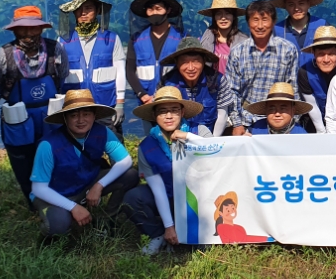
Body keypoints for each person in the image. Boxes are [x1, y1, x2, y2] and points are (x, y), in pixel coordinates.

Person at [0, 5, 69, 203]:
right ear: (15, 29)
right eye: (23, 28)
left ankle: (58, 197)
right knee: (22, 161)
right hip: (18, 118)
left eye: (33, 27)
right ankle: (33, 202)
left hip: (50, 115)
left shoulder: (55, 50)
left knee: (55, 156)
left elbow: (63, 76)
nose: (29, 33)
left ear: (41, 28)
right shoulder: (1, 56)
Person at [29, 89, 138, 239]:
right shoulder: (48, 144)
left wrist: (99, 185)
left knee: (130, 175)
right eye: (74, 115)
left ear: (94, 116)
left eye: (86, 114)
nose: (81, 120)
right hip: (55, 193)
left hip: (86, 184)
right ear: (65, 118)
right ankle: (59, 220)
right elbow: (39, 188)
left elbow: (125, 161)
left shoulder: (103, 132)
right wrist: (73, 207)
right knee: (58, 225)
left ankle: (108, 220)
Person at [124, 85, 204, 254]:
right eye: (162, 111)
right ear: (154, 116)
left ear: (182, 113)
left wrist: (188, 137)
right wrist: (169, 226)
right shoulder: (147, 146)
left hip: (200, 198)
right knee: (133, 198)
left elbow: (217, 153)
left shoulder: (199, 132)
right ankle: (158, 233)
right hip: (169, 196)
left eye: (174, 110)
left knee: (194, 246)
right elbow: (157, 188)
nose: (168, 116)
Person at [57, 0, 126, 136]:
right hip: (75, 109)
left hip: (106, 107)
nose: (83, 13)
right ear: (73, 12)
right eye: (79, 9)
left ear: (97, 11)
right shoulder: (63, 41)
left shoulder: (112, 39)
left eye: (88, 8)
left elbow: (120, 71)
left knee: (114, 148)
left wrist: (120, 103)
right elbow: (58, 75)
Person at [225, 0, 299, 135]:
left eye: (265, 20)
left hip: (280, 120)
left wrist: (292, 121)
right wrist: (237, 124)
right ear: (248, 23)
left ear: (273, 22)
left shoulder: (287, 50)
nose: (260, 26)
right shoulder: (237, 52)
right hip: (247, 121)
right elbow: (232, 92)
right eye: (255, 20)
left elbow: (293, 88)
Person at [159, 37, 236, 137]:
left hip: (210, 136)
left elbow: (223, 114)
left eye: (196, 61)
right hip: (177, 137)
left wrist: (211, 142)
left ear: (204, 61)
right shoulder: (166, 83)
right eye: (185, 62)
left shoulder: (217, 80)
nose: (191, 68)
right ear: (177, 63)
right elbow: (161, 116)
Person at [126, 0, 184, 108]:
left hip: (173, 99)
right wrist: (142, 94)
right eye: (150, 9)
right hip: (145, 101)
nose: (154, 13)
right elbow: (129, 70)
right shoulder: (136, 40)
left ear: (168, 10)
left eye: (158, 9)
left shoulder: (181, 38)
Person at [298, 25, 336, 133]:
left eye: (331, 54)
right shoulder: (305, 72)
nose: (326, 59)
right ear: (313, 53)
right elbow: (312, 105)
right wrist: (322, 132)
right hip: (317, 121)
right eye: (321, 54)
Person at [271, 0, 327, 68]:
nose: (296, 8)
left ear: (308, 4)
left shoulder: (322, 26)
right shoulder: (277, 30)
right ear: (285, 6)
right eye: (291, 4)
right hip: (287, 81)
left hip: (318, 80)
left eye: (301, 3)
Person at [198, 0, 249, 76]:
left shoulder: (244, 42)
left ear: (234, 16)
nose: (223, 18)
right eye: (218, 14)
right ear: (214, 17)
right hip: (211, 86)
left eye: (228, 13)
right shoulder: (205, 39)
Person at [245, 82, 312, 135]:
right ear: (266, 110)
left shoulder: (301, 136)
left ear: (293, 110)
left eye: (283, 109)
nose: (277, 114)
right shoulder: (255, 128)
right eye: (272, 109)